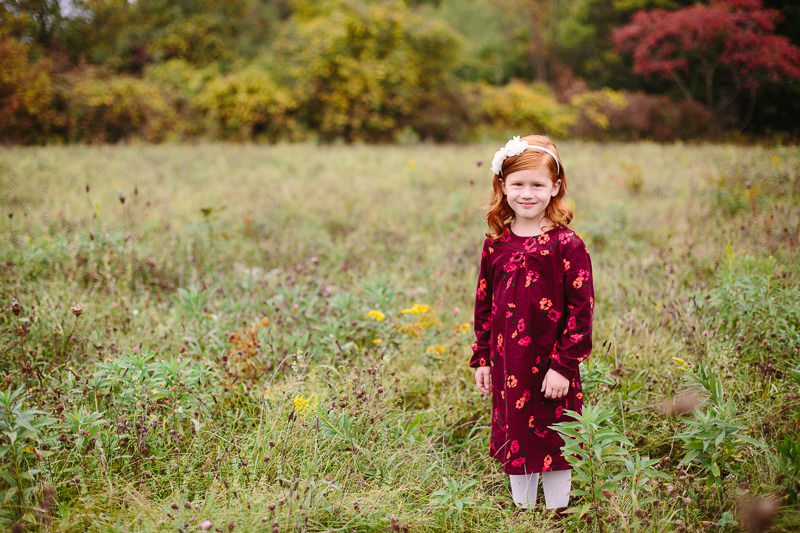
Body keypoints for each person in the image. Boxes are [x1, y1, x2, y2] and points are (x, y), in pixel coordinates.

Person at [469, 134, 594, 511]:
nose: (527, 193)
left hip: (552, 364)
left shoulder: (567, 244)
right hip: (510, 364)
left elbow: (581, 311)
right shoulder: (496, 245)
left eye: (537, 185)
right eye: (518, 184)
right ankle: (524, 512)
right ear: (502, 187)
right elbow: (484, 306)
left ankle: (557, 509)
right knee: (517, 432)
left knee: (556, 434)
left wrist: (564, 367)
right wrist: (483, 357)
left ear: (555, 188)